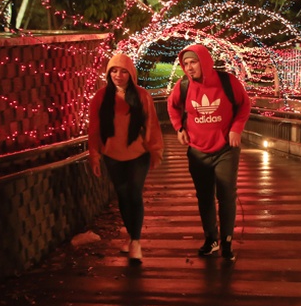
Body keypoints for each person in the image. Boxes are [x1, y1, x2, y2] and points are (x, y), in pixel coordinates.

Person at [167, 44, 251, 261]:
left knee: (226, 195)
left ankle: (228, 241)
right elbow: (172, 106)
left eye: (193, 62)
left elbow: (244, 105)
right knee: (204, 197)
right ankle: (211, 239)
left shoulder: (227, 82)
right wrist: (179, 128)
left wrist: (236, 129)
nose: (189, 67)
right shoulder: (183, 86)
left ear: (204, 61)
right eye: (185, 64)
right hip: (197, 151)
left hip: (225, 149)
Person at [88, 53, 164, 262]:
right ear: (108, 73)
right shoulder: (100, 97)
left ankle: (136, 242)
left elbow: (151, 125)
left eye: (123, 71)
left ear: (131, 74)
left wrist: (155, 150)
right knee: (122, 196)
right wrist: (94, 155)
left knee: (134, 194)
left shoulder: (141, 96)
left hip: (138, 153)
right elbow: (94, 129)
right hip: (112, 154)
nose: (118, 75)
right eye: (113, 70)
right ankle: (131, 237)